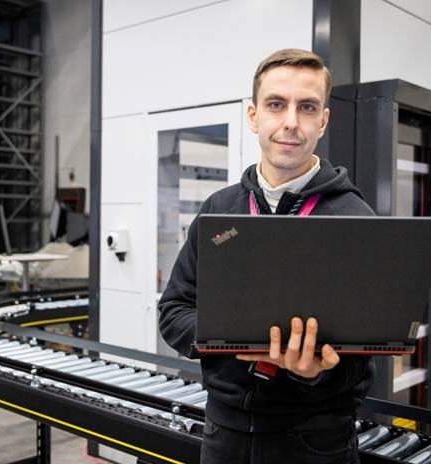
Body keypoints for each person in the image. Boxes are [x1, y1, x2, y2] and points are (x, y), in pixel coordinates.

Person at [158, 48, 375, 464]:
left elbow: (366, 351)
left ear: (323, 121)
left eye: (306, 107)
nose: (291, 121)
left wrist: (319, 372)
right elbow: (174, 311)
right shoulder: (219, 210)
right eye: (276, 104)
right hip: (225, 434)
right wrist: (226, 334)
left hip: (316, 440)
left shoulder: (354, 218)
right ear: (254, 115)